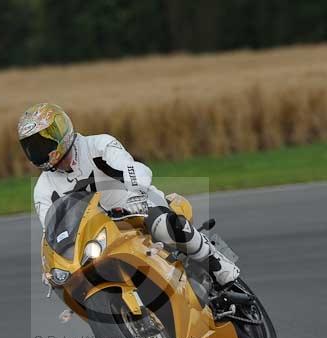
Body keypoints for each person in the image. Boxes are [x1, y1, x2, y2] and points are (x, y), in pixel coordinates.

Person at [18, 102, 239, 286]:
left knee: (165, 225)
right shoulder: (44, 189)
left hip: (135, 208)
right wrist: (53, 263)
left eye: (43, 142)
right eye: (33, 147)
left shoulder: (97, 145)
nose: (41, 151)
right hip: (100, 236)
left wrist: (136, 193)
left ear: (61, 131)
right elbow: (51, 229)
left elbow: (130, 168)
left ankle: (217, 263)